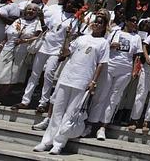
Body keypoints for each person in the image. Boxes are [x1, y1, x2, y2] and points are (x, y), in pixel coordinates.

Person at [33, 10, 110, 155]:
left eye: (100, 22)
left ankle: (59, 143)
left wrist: (93, 81)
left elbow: (100, 64)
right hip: (67, 76)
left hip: (83, 80)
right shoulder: (81, 38)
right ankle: (46, 141)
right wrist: (67, 38)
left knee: (70, 113)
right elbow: (66, 52)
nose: (97, 24)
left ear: (105, 26)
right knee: (57, 110)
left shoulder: (104, 43)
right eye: (96, 21)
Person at [14, 0, 83, 112]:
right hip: (44, 46)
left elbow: (72, 37)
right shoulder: (56, 13)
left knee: (48, 75)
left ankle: (43, 103)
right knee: (34, 74)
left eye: (73, 4)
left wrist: (69, 38)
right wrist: (41, 19)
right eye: (69, 2)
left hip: (57, 50)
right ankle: (25, 101)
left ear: (77, 7)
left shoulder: (76, 20)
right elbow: (45, 28)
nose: (69, 5)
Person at [87, 16, 142, 140]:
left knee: (114, 98)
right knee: (101, 95)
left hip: (125, 69)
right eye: (132, 20)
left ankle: (103, 127)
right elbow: (103, 45)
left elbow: (137, 56)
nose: (134, 23)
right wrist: (111, 46)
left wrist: (135, 70)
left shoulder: (137, 37)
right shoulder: (115, 31)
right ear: (126, 22)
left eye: (135, 21)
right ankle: (91, 124)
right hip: (110, 65)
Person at [0, 3, 43, 105]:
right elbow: (7, 35)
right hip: (7, 48)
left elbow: (37, 37)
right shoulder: (18, 20)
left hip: (21, 51)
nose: (31, 11)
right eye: (29, 9)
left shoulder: (37, 23)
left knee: (11, 75)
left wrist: (24, 40)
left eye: (34, 10)